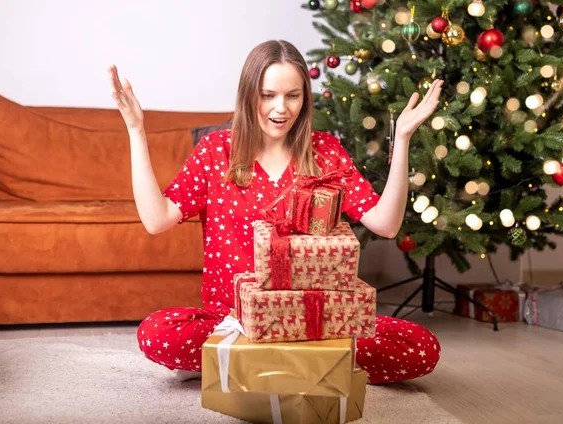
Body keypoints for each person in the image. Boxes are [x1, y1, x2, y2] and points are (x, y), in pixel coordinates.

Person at [108, 40, 444, 384]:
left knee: (418, 345)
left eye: (292, 95)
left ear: (305, 98)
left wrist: (402, 139)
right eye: (267, 95)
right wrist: (136, 130)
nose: (280, 108)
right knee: (157, 332)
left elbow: (386, 224)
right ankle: (303, 367)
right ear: (248, 95)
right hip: (236, 320)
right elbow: (156, 219)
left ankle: (258, 364)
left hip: (315, 323)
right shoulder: (215, 150)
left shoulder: (325, 152)